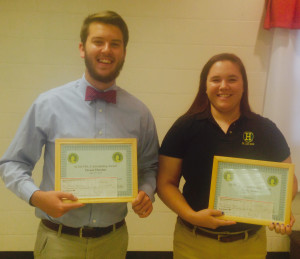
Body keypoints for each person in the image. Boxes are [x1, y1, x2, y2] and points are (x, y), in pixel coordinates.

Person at [0, 11, 159, 259]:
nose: (106, 50)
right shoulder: (49, 104)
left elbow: (150, 166)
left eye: (115, 44)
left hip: (113, 242)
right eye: (98, 41)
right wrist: (37, 197)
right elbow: (12, 164)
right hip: (57, 242)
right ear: (82, 48)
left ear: (124, 52)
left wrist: (146, 192)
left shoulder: (140, 113)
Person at [157, 53, 298, 259]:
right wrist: (192, 216)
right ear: (205, 86)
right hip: (193, 243)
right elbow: (165, 182)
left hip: (249, 244)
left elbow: (289, 180)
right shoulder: (185, 127)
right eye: (216, 80)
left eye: (232, 79)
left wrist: (281, 210)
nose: (224, 86)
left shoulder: (266, 129)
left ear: (243, 86)